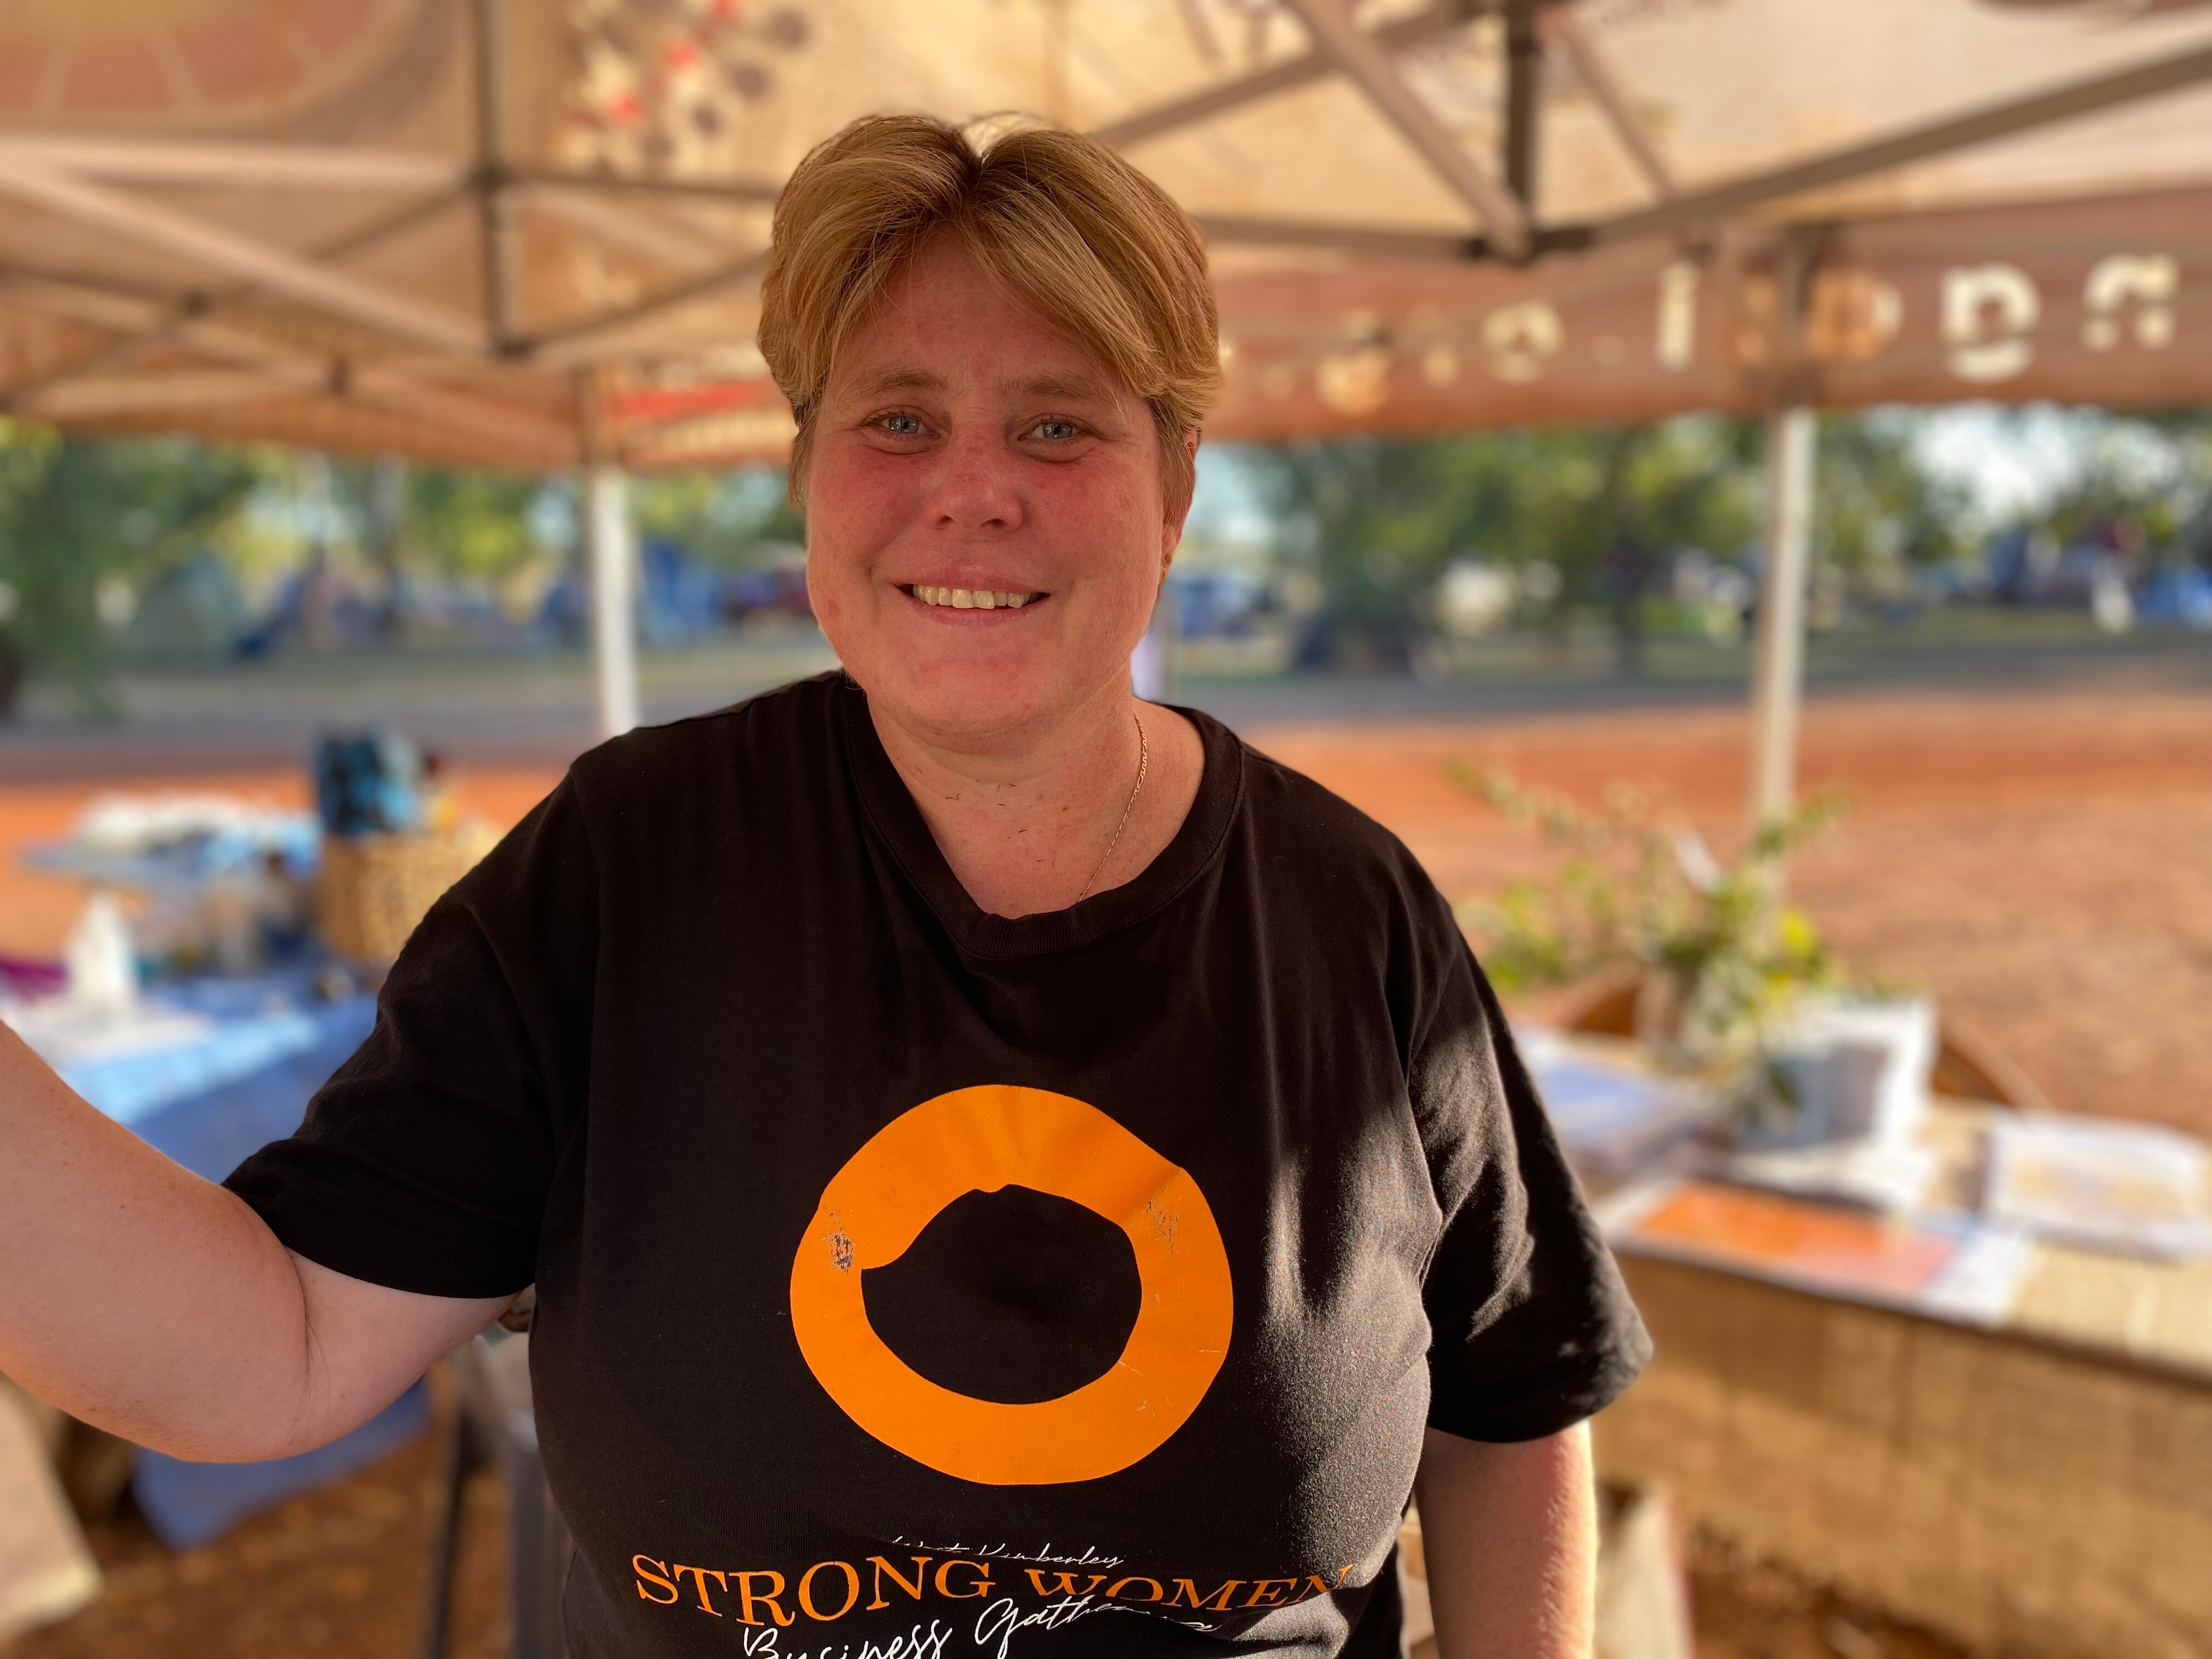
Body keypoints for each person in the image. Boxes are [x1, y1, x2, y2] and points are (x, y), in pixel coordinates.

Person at [0, 115, 1647, 1657]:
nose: (973, 486)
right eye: (899, 417)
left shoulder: (1346, 914)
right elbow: (274, 1343)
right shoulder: (625, 871)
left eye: (1060, 422)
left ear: (1177, 488)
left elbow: (1510, 1406)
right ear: (809, 476)